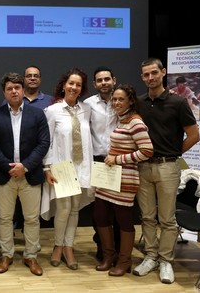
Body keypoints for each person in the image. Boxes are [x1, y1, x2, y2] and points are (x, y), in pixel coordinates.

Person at [134, 58, 200, 284]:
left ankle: (165, 261)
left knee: (167, 219)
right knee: (147, 216)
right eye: (145, 75)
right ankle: (150, 256)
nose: (150, 78)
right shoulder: (139, 103)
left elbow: (194, 136)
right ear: (142, 77)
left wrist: (174, 152)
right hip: (143, 167)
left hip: (168, 167)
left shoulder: (179, 102)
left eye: (154, 73)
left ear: (163, 73)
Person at [0, 72, 50, 276]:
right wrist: (8, 167)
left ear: (23, 90)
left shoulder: (37, 115)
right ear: (4, 92)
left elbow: (44, 143)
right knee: (4, 218)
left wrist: (25, 166)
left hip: (30, 175)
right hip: (5, 176)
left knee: (31, 219)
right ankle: (7, 254)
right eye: (9, 88)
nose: (14, 91)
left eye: (17, 87)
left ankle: (31, 256)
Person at [94, 84, 153, 277]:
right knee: (101, 216)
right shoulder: (121, 120)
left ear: (130, 101)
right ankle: (109, 256)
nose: (117, 102)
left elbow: (147, 151)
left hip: (125, 179)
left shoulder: (136, 122)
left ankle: (124, 261)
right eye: (115, 99)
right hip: (109, 178)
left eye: (121, 99)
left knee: (124, 221)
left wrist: (118, 159)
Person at [41, 68, 94, 270]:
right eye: (71, 83)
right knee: (63, 209)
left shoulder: (86, 110)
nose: (74, 87)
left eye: (78, 85)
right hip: (62, 167)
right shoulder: (53, 111)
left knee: (74, 209)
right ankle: (57, 245)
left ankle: (69, 247)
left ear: (82, 89)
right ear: (64, 85)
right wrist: (47, 168)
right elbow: (48, 142)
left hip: (82, 166)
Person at [83, 66, 119, 261]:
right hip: (98, 161)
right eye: (100, 80)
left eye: (107, 78)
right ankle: (103, 248)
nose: (104, 82)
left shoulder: (123, 100)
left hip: (120, 161)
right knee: (100, 210)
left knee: (120, 209)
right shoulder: (88, 104)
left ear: (114, 79)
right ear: (94, 84)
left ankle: (120, 249)